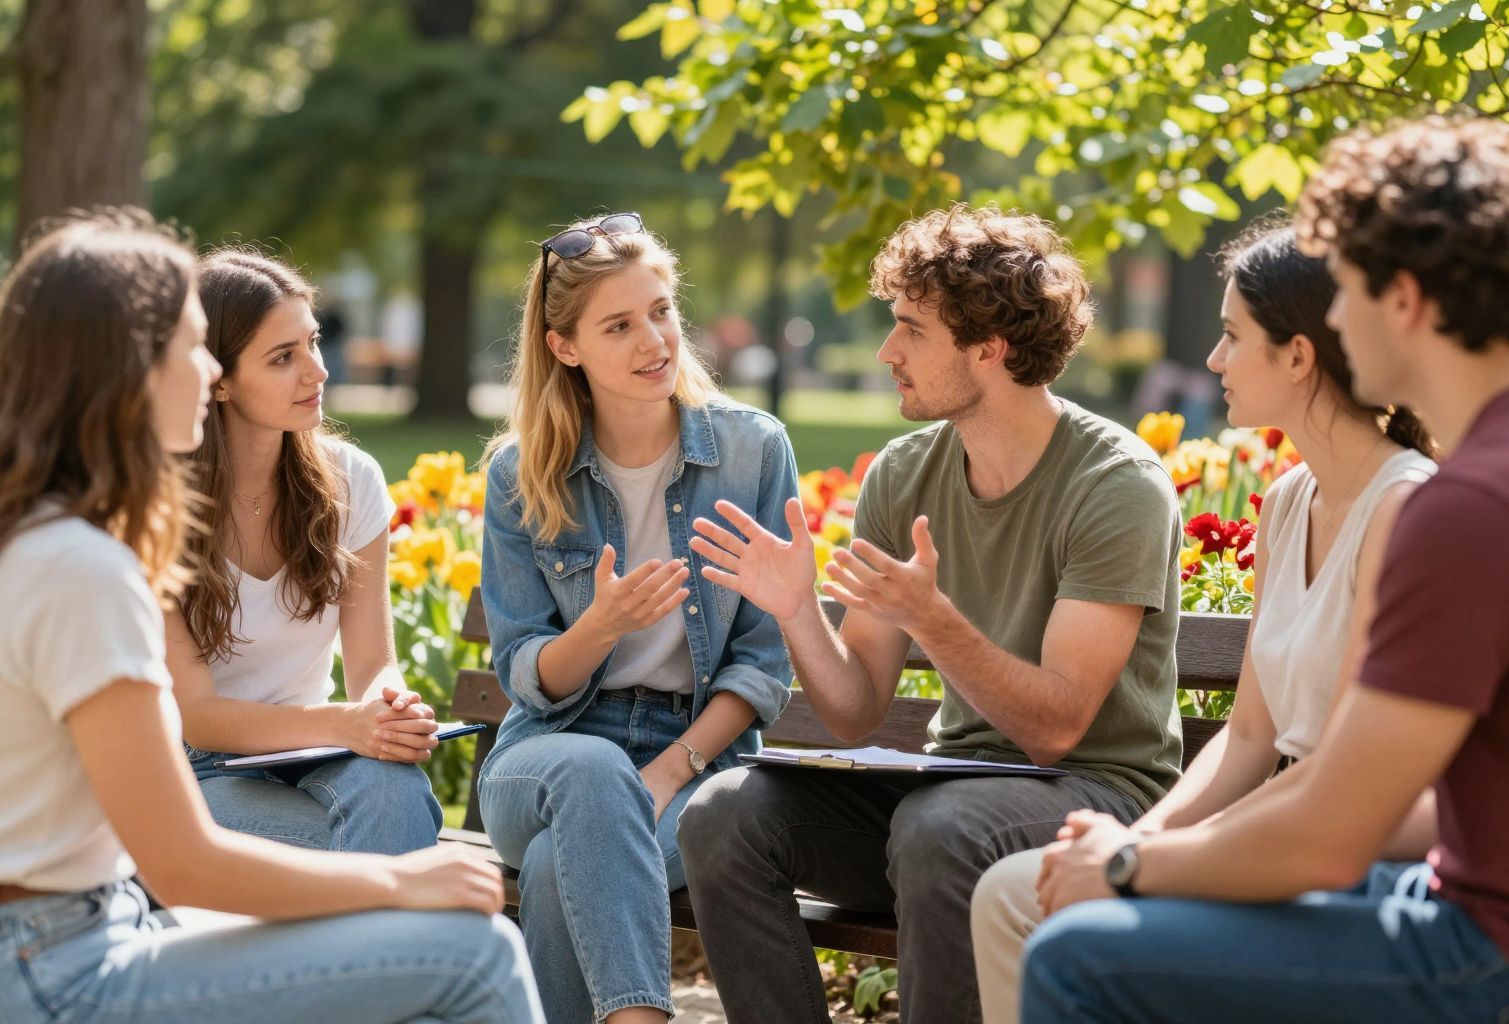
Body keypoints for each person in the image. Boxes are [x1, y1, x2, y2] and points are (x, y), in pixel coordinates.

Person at [1022, 116, 1509, 1024]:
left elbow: (1333, 839)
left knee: (1077, 959)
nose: (1333, 319)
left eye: (1345, 292)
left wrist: (1126, 863)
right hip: (1450, 900)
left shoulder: (1469, 506)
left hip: (1492, 955)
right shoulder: (1496, 470)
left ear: (1405, 298)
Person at [0, 209, 543, 1023]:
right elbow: (181, 859)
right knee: (478, 953)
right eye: (193, 346)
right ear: (129, 368)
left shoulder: (61, 541)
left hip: (88, 924)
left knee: (405, 848)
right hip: (61, 960)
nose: (207, 371)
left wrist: (376, 715)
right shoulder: (81, 566)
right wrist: (403, 883)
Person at [679, 204, 1185, 1024]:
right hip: (944, 802)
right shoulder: (905, 475)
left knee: (939, 828)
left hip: (1095, 797)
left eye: (911, 329)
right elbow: (853, 711)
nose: (888, 353)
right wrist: (797, 609)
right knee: (725, 815)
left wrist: (935, 619)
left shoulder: (1115, 485)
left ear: (989, 348)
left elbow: (1057, 732)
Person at [968, 220, 1438, 1021]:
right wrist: (1134, 840)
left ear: (1299, 355)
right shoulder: (1291, 501)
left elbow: (1348, 786)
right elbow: (1251, 736)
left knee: (1047, 912)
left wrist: (1140, 859)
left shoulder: (1405, 508)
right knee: (1016, 889)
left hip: (1345, 848)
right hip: (1277, 821)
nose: (1213, 361)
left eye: (1231, 337)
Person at [476, 212, 797, 1024]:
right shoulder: (523, 474)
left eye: (660, 311)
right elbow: (524, 671)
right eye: (619, 325)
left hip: (694, 760)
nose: (654, 340)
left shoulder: (753, 450)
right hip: (547, 757)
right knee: (589, 778)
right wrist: (599, 628)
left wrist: (669, 770)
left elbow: (761, 663)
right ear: (565, 347)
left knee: (557, 866)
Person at [165, 248, 442, 855]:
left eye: (312, 344)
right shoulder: (158, 507)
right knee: (382, 837)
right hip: (192, 769)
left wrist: (389, 709)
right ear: (218, 381)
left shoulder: (351, 481)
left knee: (393, 790)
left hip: (309, 753)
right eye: (283, 358)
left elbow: (373, 664)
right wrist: (345, 724)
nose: (317, 371)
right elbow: (197, 713)